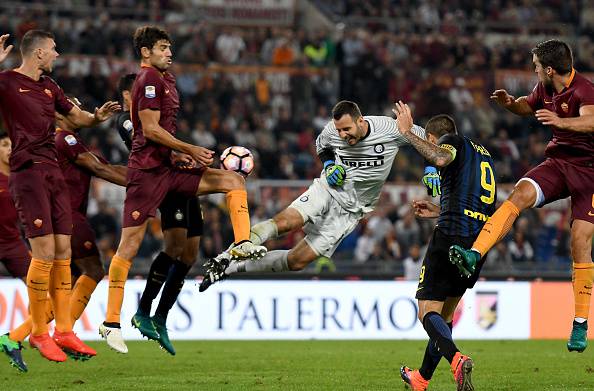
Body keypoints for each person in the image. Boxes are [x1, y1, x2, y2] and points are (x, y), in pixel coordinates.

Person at [99, 26, 266, 354]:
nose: (170, 52)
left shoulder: (166, 80)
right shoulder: (146, 80)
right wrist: (188, 149)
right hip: (148, 175)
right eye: (163, 47)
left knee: (232, 181)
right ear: (146, 52)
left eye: (170, 47)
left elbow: (162, 130)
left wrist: (180, 154)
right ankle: (111, 322)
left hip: (171, 170)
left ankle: (243, 243)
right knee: (131, 246)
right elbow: (148, 129)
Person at [449, 39, 594, 352]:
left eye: (537, 67)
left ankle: (580, 323)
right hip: (559, 163)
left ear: (550, 69)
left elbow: (592, 119)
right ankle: (475, 253)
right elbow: (527, 106)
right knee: (518, 194)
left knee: (579, 241)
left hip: (590, 172)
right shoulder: (545, 89)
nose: (535, 71)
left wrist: (562, 122)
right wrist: (509, 104)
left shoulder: (585, 89)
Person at [200, 100, 437, 290]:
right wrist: (329, 166)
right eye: (339, 130)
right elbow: (321, 146)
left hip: (351, 211)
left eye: (347, 129)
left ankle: (231, 270)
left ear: (361, 121)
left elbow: (426, 140)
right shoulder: (331, 132)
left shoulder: (389, 129)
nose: (343, 135)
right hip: (327, 190)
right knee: (286, 222)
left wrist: (430, 168)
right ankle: (225, 258)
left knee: (297, 261)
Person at [0, 30, 119, 363]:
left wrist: (96, 117)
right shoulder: (7, 82)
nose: (57, 54)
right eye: (53, 49)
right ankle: (38, 332)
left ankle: (64, 330)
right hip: (28, 172)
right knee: (44, 252)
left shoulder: (50, 87)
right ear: (38, 53)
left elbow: (74, 116)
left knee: (63, 250)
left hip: (52, 172)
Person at [392, 102, 496, 391]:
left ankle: (457, 360)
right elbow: (476, 202)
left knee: (426, 311)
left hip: (451, 236)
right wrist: (440, 209)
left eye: (428, 140)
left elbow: (438, 157)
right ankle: (421, 378)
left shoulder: (449, 143)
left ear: (434, 137)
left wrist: (406, 133)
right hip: (477, 243)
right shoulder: (481, 154)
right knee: (445, 316)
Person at [114, 73, 204, 356]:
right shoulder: (127, 121)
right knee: (175, 247)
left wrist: (183, 156)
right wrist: (178, 153)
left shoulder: (156, 117)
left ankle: (160, 317)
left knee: (190, 255)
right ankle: (143, 310)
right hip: (162, 182)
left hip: (181, 180)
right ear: (128, 96)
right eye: (133, 95)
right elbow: (145, 140)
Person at [0, 132, 31, 372]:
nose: (10, 149)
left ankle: (16, 338)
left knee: (44, 292)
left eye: (12, 144)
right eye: (4, 145)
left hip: (13, 243)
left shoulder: (21, 178)